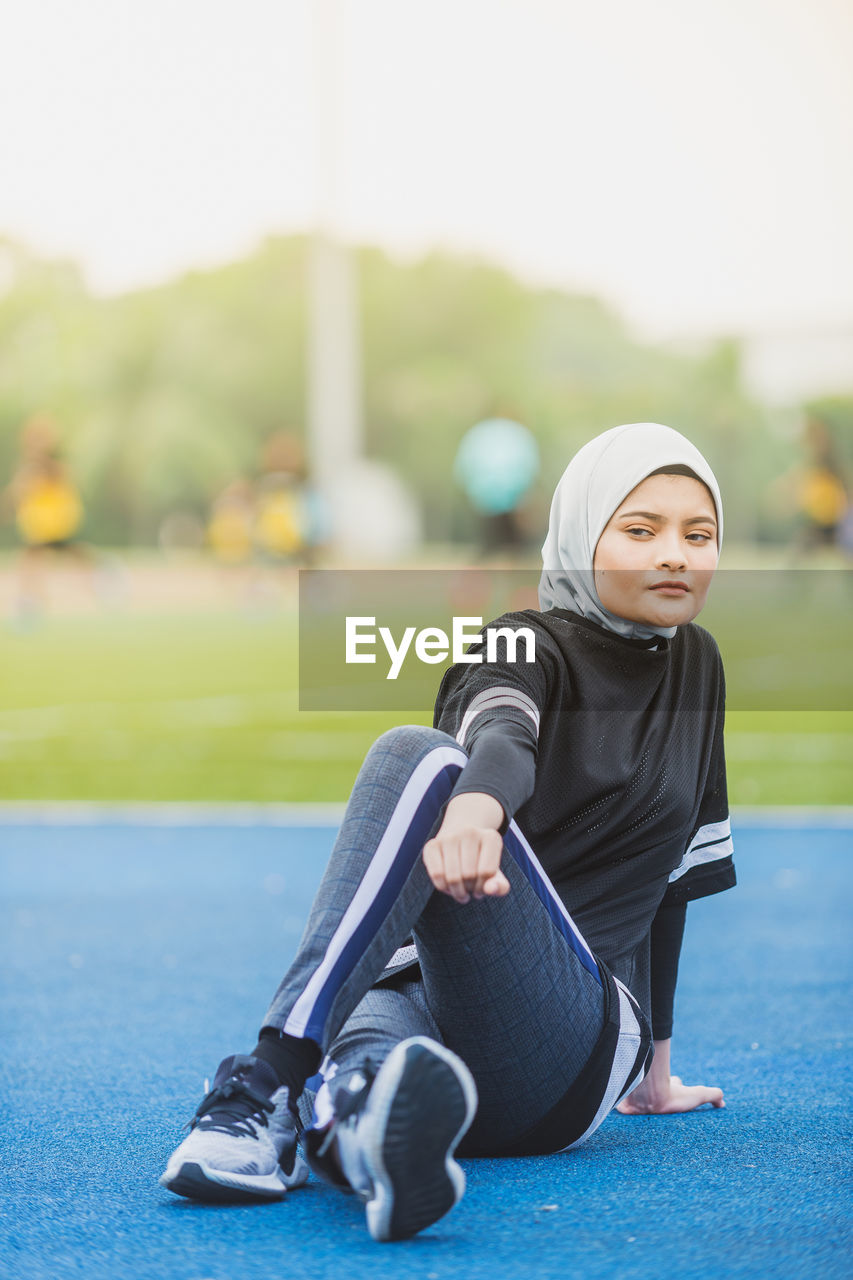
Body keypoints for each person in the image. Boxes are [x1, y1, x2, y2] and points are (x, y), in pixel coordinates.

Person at [160, 422, 735, 1242]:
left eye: (698, 534)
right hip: (433, 1012)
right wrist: (480, 798)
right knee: (369, 1044)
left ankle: (268, 1080)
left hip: (570, 1047)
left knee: (415, 757)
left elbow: (673, 878)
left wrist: (655, 1072)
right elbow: (503, 723)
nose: (673, 554)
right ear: (580, 535)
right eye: (639, 530)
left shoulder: (697, 666)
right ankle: (357, 1136)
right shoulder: (520, 640)